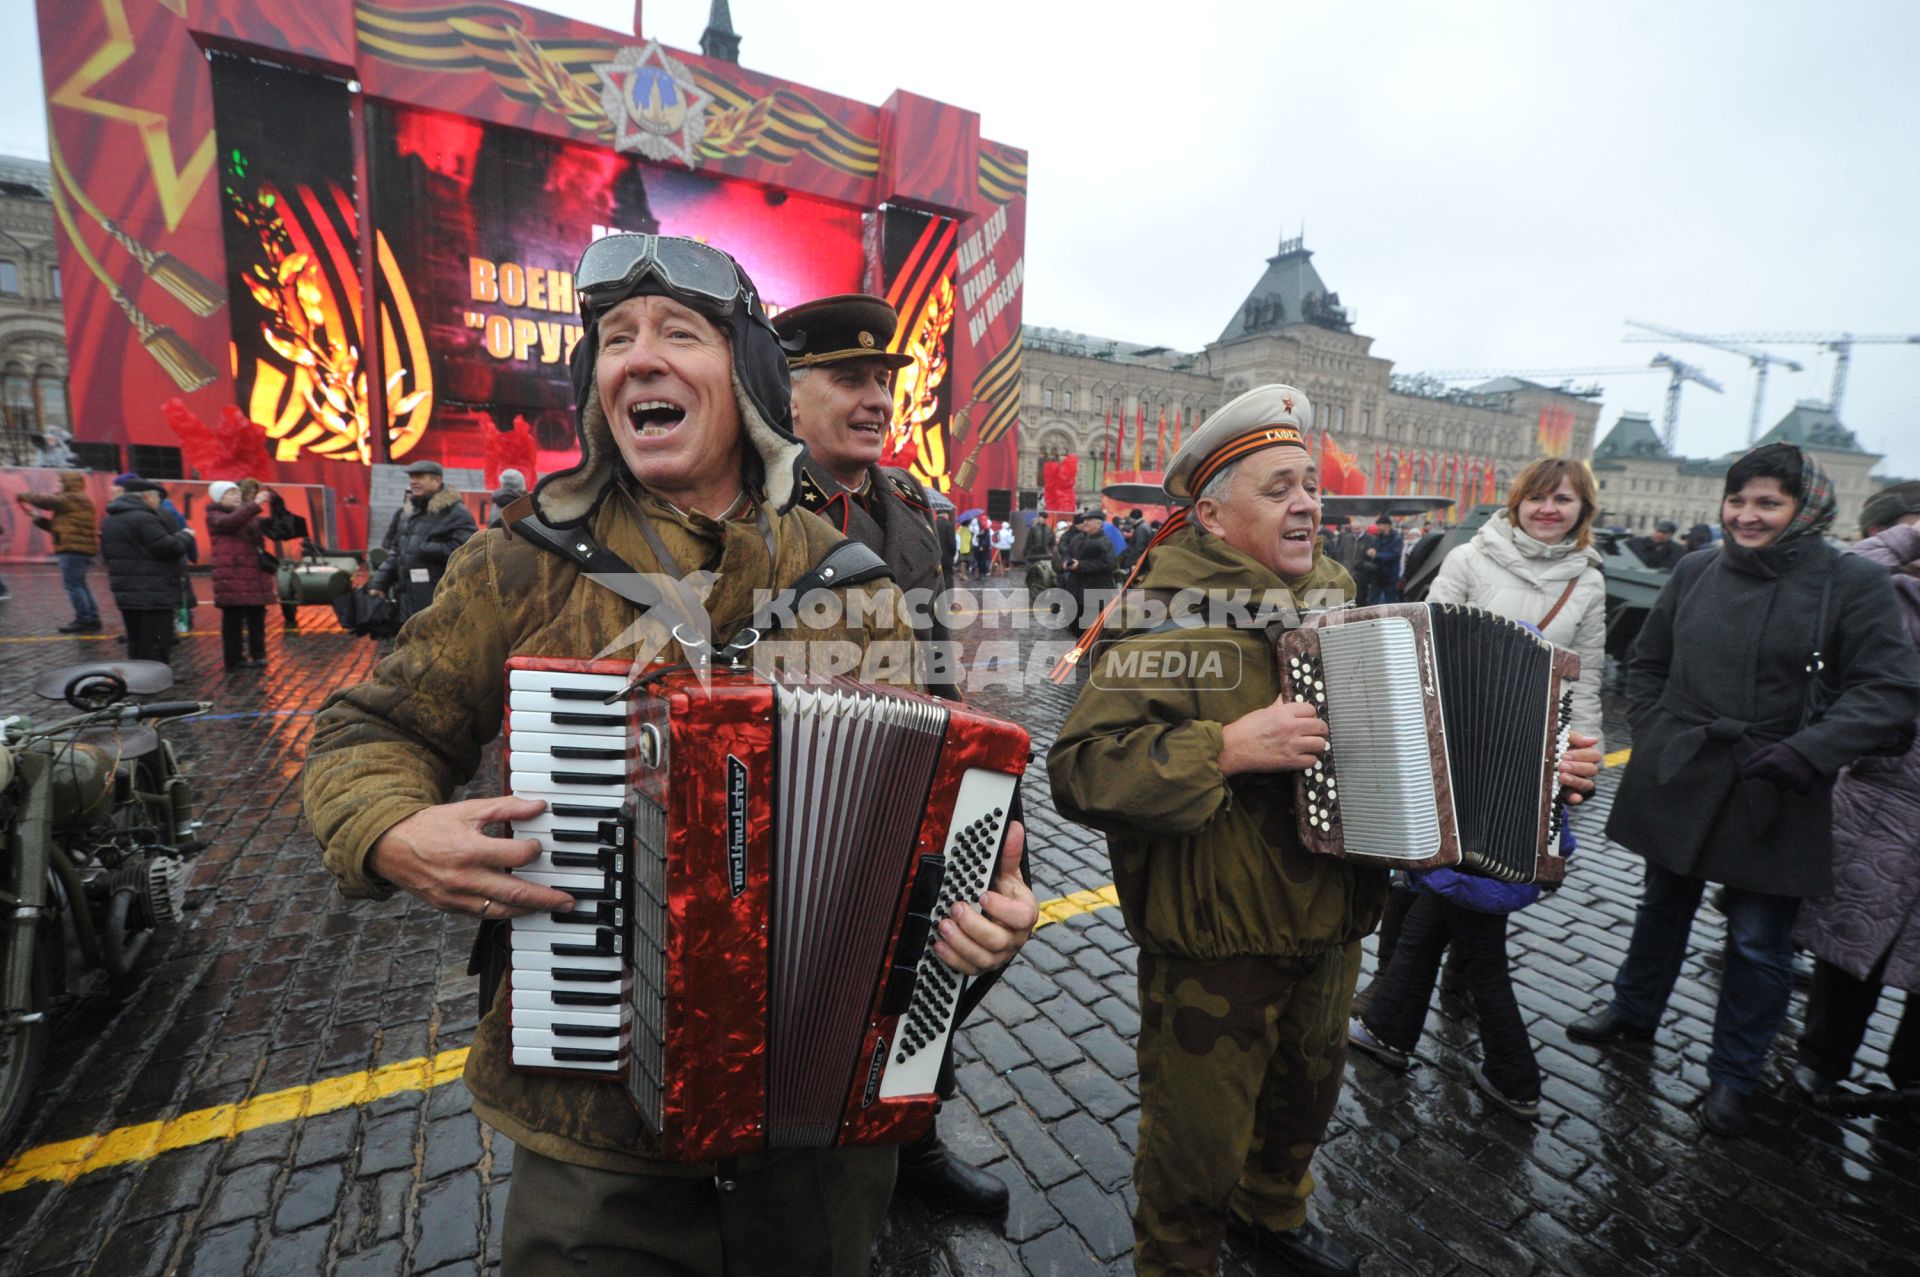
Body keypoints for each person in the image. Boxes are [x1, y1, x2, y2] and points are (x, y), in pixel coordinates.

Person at [304, 234, 1036, 1277]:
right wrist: (385, 826)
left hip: (818, 1136)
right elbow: (372, 729)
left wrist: (980, 910)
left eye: (677, 333)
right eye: (614, 340)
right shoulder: (518, 563)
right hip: (595, 1136)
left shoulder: (852, 581)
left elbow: (927, 807)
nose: (638, 359)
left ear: (745, 377)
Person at [1049, 384, 1601, 1277]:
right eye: (1277, 488)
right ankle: (1179, 1260)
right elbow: (1080, 768)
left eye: (1308, 483)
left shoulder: (1349, 605)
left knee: (1304, 1101)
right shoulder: (1166, 613)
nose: (1307, 501)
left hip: (1336, 922)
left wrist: (1545, 770)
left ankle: (1272, 1216)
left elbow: (1439, 750)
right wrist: (1222, 748)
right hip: (1215, 940)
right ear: (1214, 514)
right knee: (1196, 1145)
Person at [1569, 443, 1920, 1137]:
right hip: (1686, 767)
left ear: (1805, 509)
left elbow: (1889, 688)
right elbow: (1649, 659)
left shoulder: (1849, 582)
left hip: (1775, 782)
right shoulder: (1699, 567)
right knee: (1661, 903)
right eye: (1738, 500)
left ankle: (1735, 1073)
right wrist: (1658, 729)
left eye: (1768, 503)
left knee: (1759, 942)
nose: (1747, 515)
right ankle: (1634, 1010)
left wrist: (1810, 751)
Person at [776, 293, 1006, 1211]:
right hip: (799, 795)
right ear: (783, 391)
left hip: (910, 775)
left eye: (884, 381)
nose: (876, 399)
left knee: (952, 950)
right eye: (848, 379)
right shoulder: (744, 505)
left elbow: (939, 657)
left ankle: (908, 1129)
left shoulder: (913, 506)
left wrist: (976, 778)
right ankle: (807, 1145)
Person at [1349, 458, 1609, 1119]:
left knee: (1464, 897)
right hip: (1459, 748)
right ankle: (1450, 1047)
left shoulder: (1588, 582)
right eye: (1539, 497)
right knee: (1456, 895)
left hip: (1530, 760)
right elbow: (1425, 644)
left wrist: (1583, 759)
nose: (1549, 508)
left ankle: (1425, 1038)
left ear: (1583, 509)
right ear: (1518, 501)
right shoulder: (1471, 557)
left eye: (1564, 499)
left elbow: (1589, 683)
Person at [1791, 480, 1920, 1103]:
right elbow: (1838, 567)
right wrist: (1909, 533)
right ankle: (1823, 1059)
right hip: (1883, 796)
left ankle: (1911, 1074)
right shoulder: (1889, 592)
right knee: (1850, 940)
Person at [367, 458, 479, 625]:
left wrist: (425, 548)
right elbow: (397, 553)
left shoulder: (456, 513)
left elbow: (468, 551)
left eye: (419, 477)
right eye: (411, 477)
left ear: (436, 480)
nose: (413, 482)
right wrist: (379, 583)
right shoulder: (407, 513)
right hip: (407, 600)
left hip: (438, 600)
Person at [101, 478, 194, 663]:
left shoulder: (110, 519)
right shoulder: (145, 518)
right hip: (154, 591)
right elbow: (168, 547)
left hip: (127, 591)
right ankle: (155, 678)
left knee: (136, 639)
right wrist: (185, 535)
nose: (159, 503)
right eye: (158, 498)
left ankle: (140, 677)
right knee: (157, 639)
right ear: (147, 496)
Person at [16, 470, 102, 633]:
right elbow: (59, 528)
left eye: (60, 482)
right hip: (77, 548)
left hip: (72, 549)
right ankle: (92, 619)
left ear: (69, 483)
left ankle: (84, 620)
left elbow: (45, 501)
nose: (57, 485)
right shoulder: (77, 500)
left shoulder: (73, 498)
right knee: (80, 585)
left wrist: (24, 495)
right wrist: (39, 519)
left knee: (74, 585)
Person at [206, 479, 277, 670]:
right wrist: (256, 504)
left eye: (237, 493)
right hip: (233, 575)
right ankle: (234, 659)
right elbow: (231, 522)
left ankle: (258, 654)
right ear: (219, 498)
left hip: (253, 573)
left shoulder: (248, 515)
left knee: (257, 617)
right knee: (233, 620)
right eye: (230, 494)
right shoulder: (215, 515)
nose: (236, 496)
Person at [1056, 509, 1115, 638]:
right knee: (1074, 623)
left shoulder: (1105, 541)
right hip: (1075, 589)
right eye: (1084, 520)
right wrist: (1066, 562)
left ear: (1099, 524)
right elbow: (1067, 553)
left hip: (1094, 590)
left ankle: (1089, 653)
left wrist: (1081, 565)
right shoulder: (1077, 538)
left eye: (1089, 520)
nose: (1085, 523)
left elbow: (1107, 563)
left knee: (1090, 628)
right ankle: (1078, 650)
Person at [259, 491, 311, 631]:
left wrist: (277, 504)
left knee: (255, 617)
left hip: (254, 569)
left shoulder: (253, 519)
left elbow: (281, 529)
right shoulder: (231, 517)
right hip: (241, 566)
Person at [1365, 517, 1403, 604]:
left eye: (1379, 525)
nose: (1378, 527)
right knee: (1373, 601)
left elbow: (1395, 555)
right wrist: (1369, 551)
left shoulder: (1396, 538)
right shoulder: (1378, 538)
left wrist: (1377, 555)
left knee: (1390, 601)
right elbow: (1372, 548)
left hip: (1390, 575)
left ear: (1387, 525)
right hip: (1377, 574)